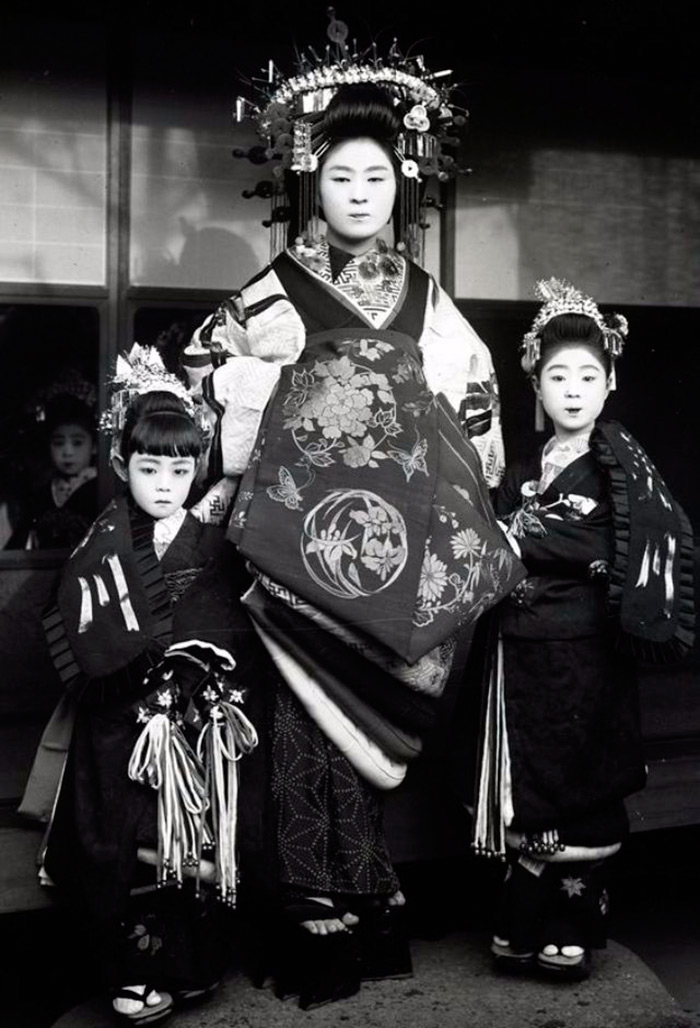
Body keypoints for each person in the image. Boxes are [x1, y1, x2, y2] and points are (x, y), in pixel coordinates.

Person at [183, 26, 525, 1009]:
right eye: (341, 176)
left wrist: (464, 419)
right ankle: (307, 902)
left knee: (364, 720)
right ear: (309, 181)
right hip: (296, 545)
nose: (361, 193)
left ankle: (368, 886)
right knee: (300, 721)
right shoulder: (270, 292)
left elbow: (478, 402)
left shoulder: (424, 296)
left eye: (377, 175)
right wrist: (270, 387)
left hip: (388, 550)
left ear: (401, 184)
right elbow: (207, 379)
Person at [472, 279, 695, 981]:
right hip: (522, 650)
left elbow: (600, 543)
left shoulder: (622, 470)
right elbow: (495, 542)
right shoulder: (521, 469)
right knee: (528, 780)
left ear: (611, 382)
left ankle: (572, 923)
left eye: (588, 377)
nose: (572, 390)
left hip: (588, 649)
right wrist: (530, 535)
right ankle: (523, 920)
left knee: (583, 776)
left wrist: (529, 534)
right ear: (535, 385)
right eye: (557, 376)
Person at [37, 346, 261, 1025]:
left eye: (180, 468)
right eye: (149, 468)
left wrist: (204, 682)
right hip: (120, 726)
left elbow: (234, 630)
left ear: (197, 468)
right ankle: (131, 973)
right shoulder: (98, 544)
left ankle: (191, 966)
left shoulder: (212, 542)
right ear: (121, 466)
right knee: (123, 849)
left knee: (189, 846)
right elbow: (75, 627)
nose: (165, 484)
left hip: (193, 719)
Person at [6, 392, 98, 550]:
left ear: (94, 446)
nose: (67, 452)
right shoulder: (41, 492)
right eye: (58, 443)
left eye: (77, 443)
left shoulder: (102, 487)